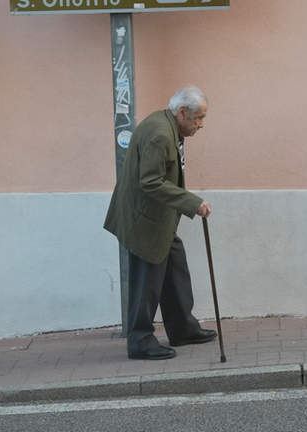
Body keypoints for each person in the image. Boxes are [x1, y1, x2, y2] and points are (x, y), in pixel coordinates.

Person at [104, 86, 217, 360]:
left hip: (157, 217)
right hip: (145, 220)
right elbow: (151, 181)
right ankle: (140, 341)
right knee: (147, 281)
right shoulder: (159, 133)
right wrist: (191, 202)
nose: (201, 125)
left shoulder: (167, 125)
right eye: (198, 118)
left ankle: (183, 329)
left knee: (174, 267)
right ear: (182, 113)